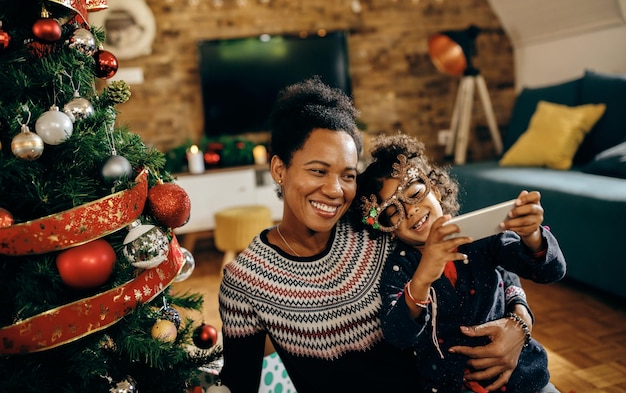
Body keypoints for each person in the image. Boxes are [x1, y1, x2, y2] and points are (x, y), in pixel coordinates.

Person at [217, 77, 537, 393]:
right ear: (279, 170)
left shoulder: (378, 228)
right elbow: (239, 383)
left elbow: (477, 255)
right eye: (318, 170)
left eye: (348, 175)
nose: (334, 190)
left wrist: (519, 324)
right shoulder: (244, 280)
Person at [355, 133, 566, 393]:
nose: (410, 210)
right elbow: (398, 335)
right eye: (393, 212)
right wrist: (421, 279)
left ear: (434, 188)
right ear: (387, 229)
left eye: (415, 193)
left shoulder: (481, 234)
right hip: (453, 385)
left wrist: (532, 236)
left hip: (524, 376)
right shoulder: (399, 269)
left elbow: (549, 272)